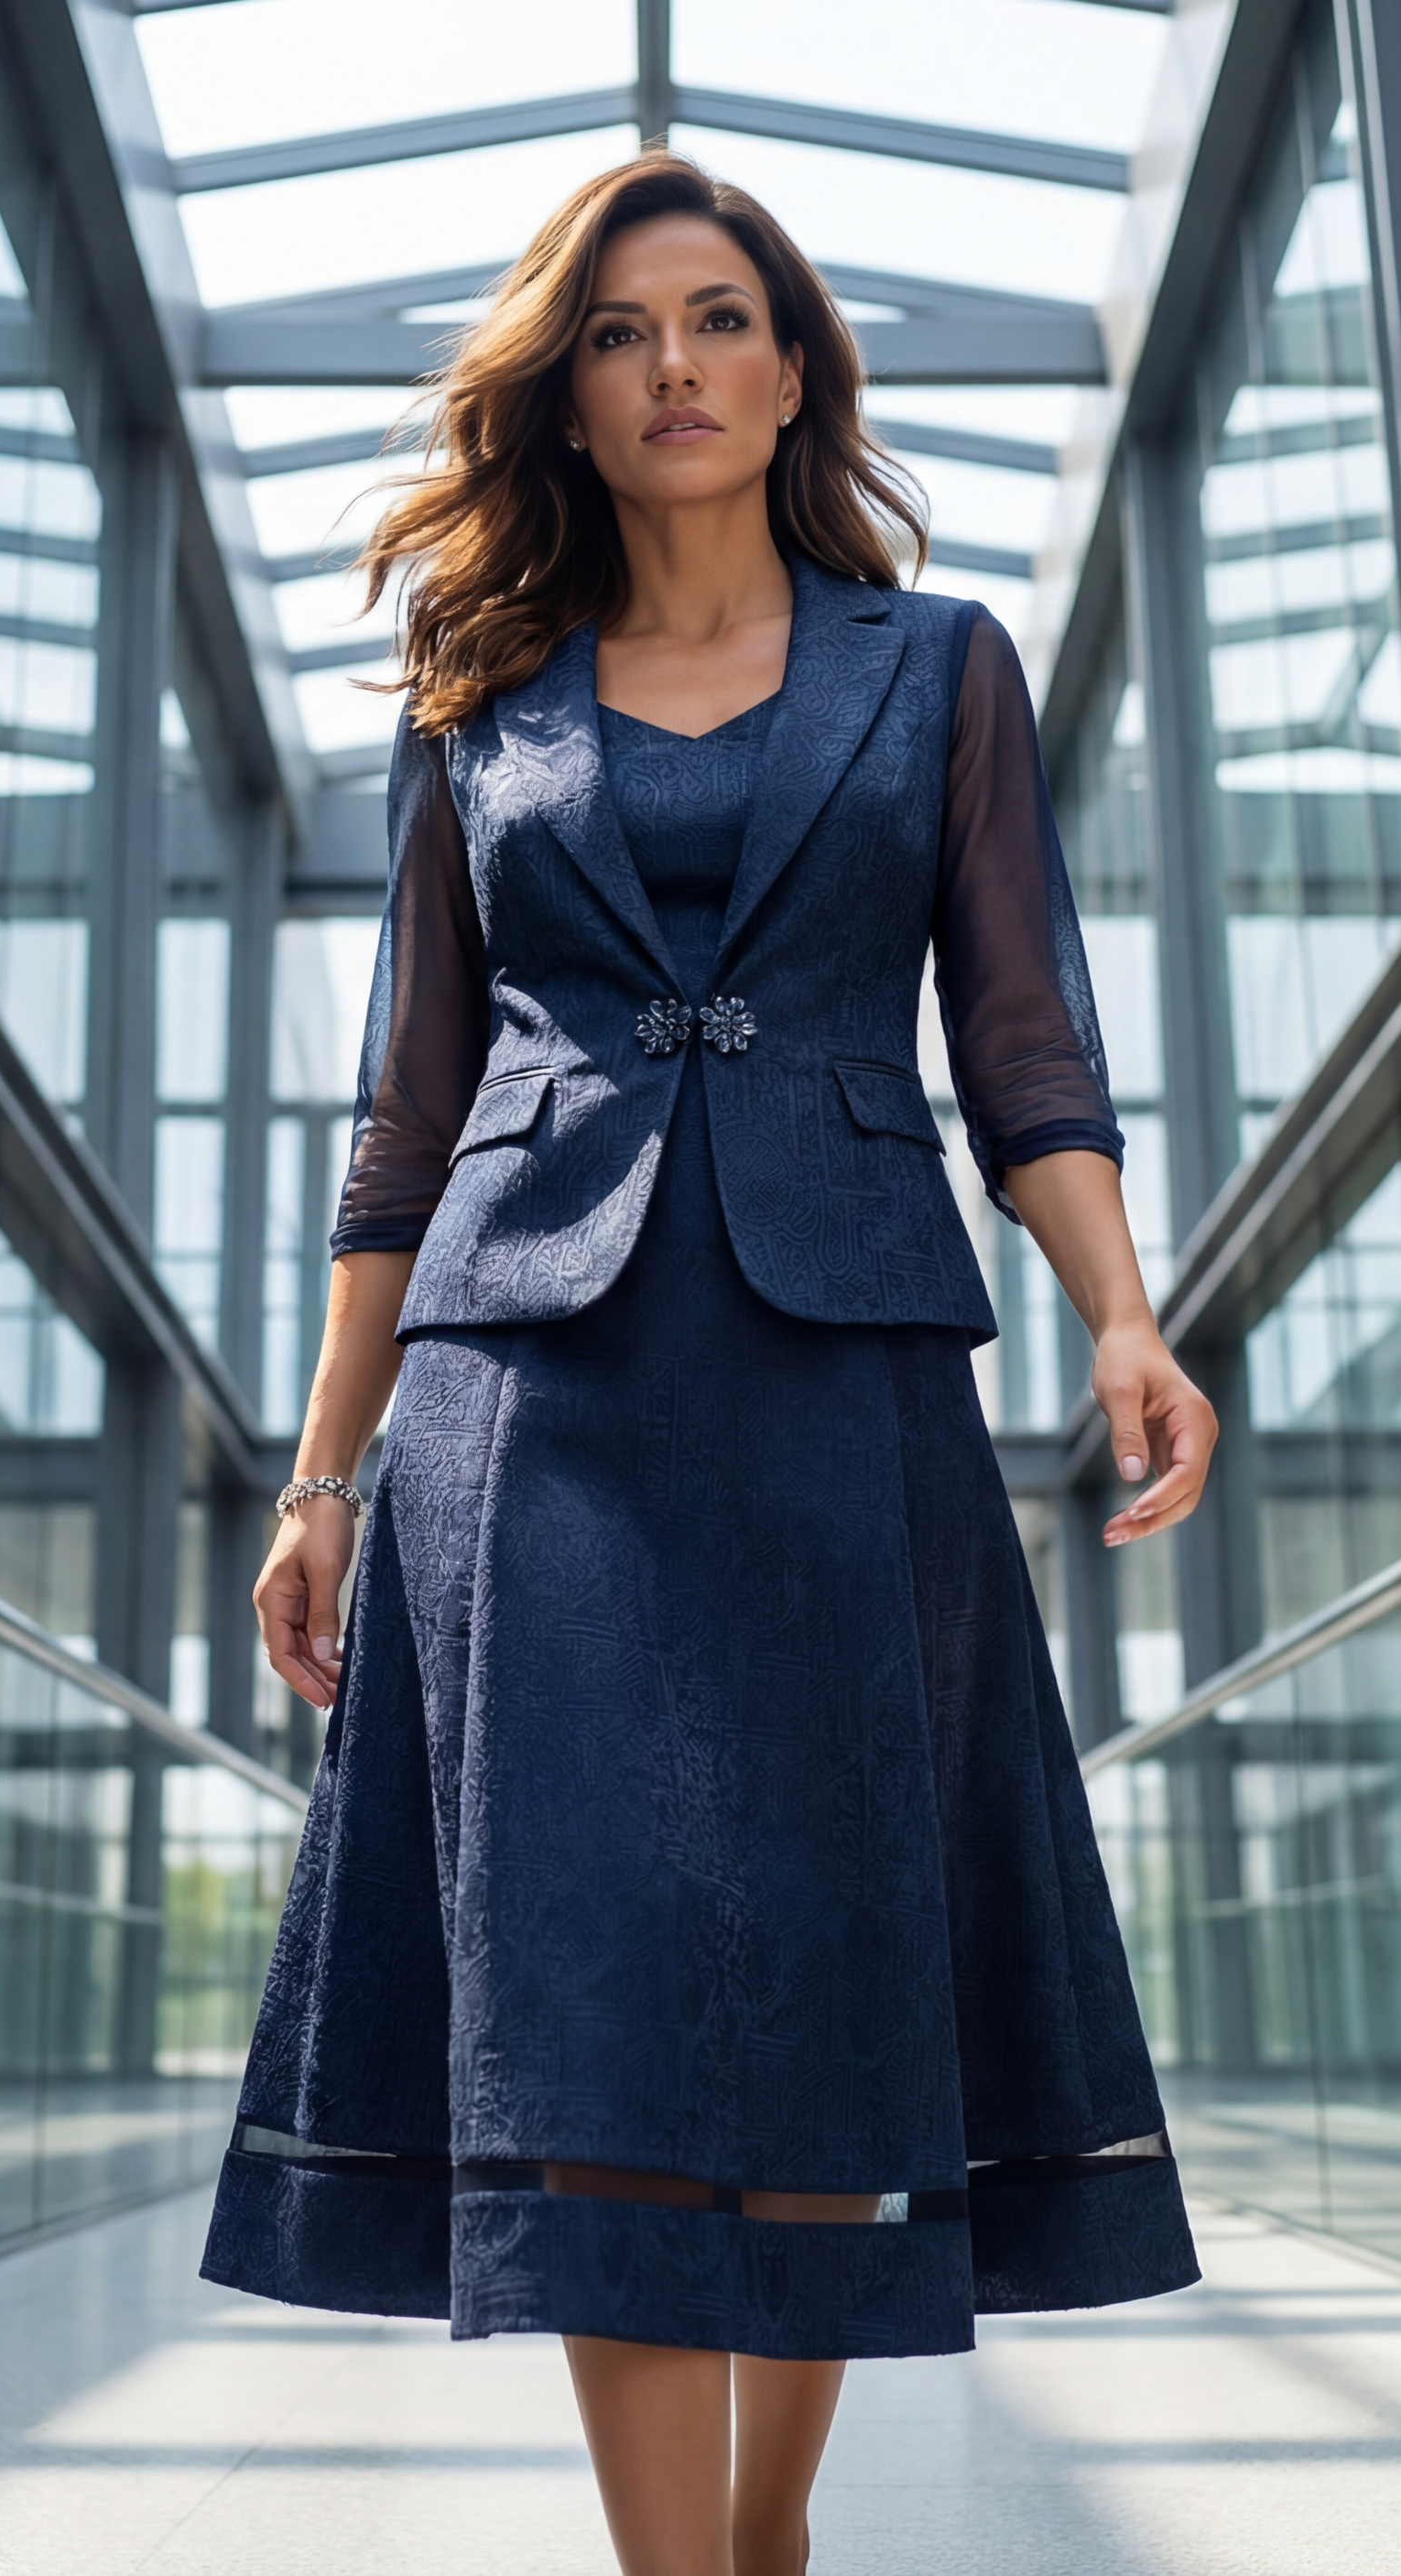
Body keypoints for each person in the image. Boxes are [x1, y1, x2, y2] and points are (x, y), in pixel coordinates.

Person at [203, 151, 1214, 2576]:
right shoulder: (476, 695)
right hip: (528, 1394)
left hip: (847, 1372)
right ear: (568, 388)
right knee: (596, 1986)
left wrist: (1122, 1308)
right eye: (629, 328)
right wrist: (321, 1475)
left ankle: (762, 2528)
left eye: (724, 319)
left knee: (843, 1952)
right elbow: (402, 1117)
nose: (677, 363)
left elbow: (1024, 1033)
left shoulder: (938, 666)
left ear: (793, 374)